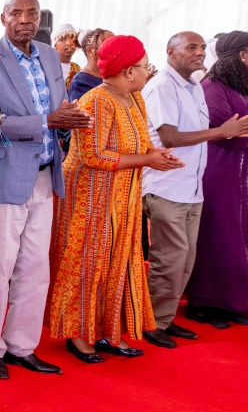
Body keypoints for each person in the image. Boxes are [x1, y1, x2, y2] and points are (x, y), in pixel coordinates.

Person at [0, 0, 92, 380]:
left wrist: (68, 119)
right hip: (2, 176)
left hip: (44, 174)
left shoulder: (50, 55)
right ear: (3, 18)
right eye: (16, 13)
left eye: (32, 13)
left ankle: (22, 346)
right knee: (0, 269)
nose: (25, 19)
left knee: (36, 269)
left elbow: (58, 107)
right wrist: (46, 123)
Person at [49, 36, 182, 361]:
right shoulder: (96, 100)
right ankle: (80, 336)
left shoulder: (134, 97)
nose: (148, 72)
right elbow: (94, 156)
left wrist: (157, 156)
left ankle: (108, 332)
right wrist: (148, 161)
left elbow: (137, 145)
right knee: (88, 261)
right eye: (144, 66)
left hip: (123, 193)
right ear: (128, 70)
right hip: (90, 194)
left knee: (119, 260)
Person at [141, 32, 248, 346]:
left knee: (185, 259)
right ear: (170, 51)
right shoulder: (162, 86)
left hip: (192, 186)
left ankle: (163, 321)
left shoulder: (194, 85)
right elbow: (170, 138)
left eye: (202, 48)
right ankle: (150, 323)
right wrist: (222, 131)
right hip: (167, 185)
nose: (199, 52)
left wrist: (228, 132)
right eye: (191, 47)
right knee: (169, 259)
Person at [186, 30, 248, 328]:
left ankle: (233, 303)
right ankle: (205, 304)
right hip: (223, 170)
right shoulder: (212, 87)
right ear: (242, 55)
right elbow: (225, 130)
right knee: (220, 235)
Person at [67, 28, 114, 101]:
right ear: (89, 50)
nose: (115, 49)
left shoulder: (115, 76)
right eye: (107, 44)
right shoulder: (81, 82)